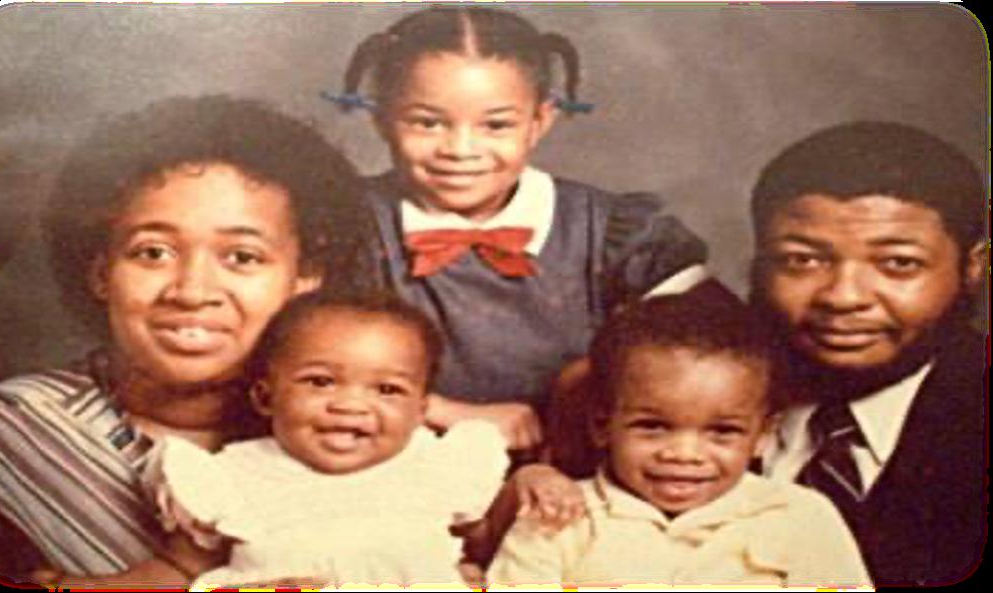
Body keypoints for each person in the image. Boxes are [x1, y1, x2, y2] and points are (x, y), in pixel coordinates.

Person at [0, 95, 371, 584]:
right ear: (100, 272)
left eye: (242, 257)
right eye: (153, 252)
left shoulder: (357, 425)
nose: (191, 291)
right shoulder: (5, 432)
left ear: (305, 277)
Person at [327, 5, 708, 451]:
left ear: (539, 122)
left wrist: (578, 392)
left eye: (496, 125)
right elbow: (293, 368)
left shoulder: (609, 232)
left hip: (578, 469)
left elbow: (720, 355)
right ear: (381, 119)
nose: (461, 150)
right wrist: (445, 412)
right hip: (392, 461)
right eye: (427, 123)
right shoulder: (349, 223)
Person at [487, 292, 871, 587]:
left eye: (722, 432)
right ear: (602, 425)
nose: (684, 455)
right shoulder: (558, 515)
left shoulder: (800, 516)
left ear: (762, 436)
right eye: (653, 426)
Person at [131, 291, 510, 589]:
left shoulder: (438, 467)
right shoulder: (231, 478)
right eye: (320, 382)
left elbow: (489, 545)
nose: (350, 405)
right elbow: (178, 569)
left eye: (387, 389)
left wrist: (532, 483)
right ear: (266, 398)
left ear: (419, 411)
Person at [751, 121, 988, 586]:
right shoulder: (677, 394)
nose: (843, 297)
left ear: (972, 268)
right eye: (802, 260)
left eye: (898, 263)